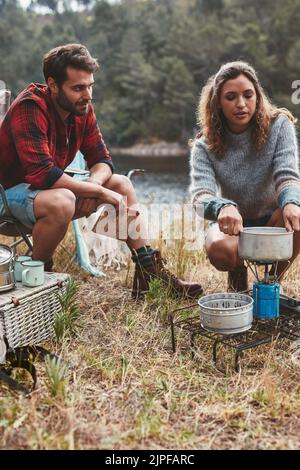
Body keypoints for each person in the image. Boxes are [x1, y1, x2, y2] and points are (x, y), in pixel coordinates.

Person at [0, 43, 203, 299]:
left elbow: (102, 159)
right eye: (78, 88)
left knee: (120, 185)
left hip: (43, 193)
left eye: (90, 86)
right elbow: (43, 174)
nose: (87, 95)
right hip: (6, 194)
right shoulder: (30, 107)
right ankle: (33, 276)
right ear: (52, 85)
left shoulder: (81, 107)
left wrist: (94, 188)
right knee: (64, 201)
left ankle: (148, 271)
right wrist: (97, 192)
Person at [190, 61, 300, 291]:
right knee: (221, 250)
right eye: (230, 97)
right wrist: (222, 207)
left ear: (257, 97)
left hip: (273, 221)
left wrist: (291, 202)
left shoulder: (280, 125)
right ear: (218, 103)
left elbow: (287, 175)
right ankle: (237, 272)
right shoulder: (203, 145)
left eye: (248, 95)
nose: (241, 104)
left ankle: (271, 282)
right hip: (233, 225)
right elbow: (201, 197)